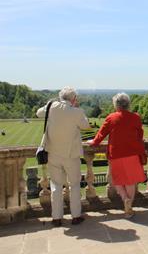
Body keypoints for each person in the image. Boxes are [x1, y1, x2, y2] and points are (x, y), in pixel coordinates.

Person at [36, 87, 90, 227]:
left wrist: (49, 103)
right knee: (75, 185)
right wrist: (77, 108)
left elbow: (38, 113)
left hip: (53, 153)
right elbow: (86, 125)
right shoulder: (76, 112)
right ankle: (76, 216)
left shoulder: (51, 107)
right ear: (73, 99)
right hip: (71, 155)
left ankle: (56, 218)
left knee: (56, 186)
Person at [88, 93, 146, 218]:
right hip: (132, 153)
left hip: (116, 154)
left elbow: (101, 134)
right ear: (128, 104)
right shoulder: (135, 117)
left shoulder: (111, 117)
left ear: (116, 105)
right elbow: (140, 135)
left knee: (117, 180)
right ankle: (129, 206)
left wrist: (93, 142)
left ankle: (125, 199)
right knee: (130, 181)